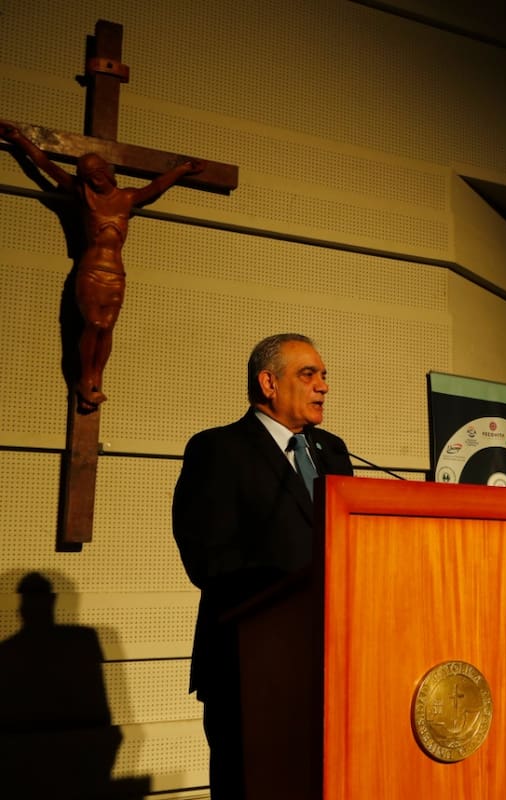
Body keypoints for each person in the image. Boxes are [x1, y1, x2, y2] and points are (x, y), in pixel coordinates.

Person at [171, 333, 354, 800]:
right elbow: (207, 558)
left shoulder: (331, 451)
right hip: (247, 658)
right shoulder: (218, 449)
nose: (323, 387)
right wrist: (292, 593)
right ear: (268, 383)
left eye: (324, 375)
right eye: (308, 374)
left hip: (330, 659)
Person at [0, 119, 204, 411]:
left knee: (106, 327)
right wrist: (19, 140)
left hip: (116, 274)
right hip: (91, 271)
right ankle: (85, 378)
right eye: (88, 174)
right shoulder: (84, 196)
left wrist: (182, 169)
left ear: (107, 173)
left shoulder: (127, 198)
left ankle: (96, 378)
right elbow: (45, 166)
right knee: (93, 323)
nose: (95, 178)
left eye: (98, 172)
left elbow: (157, 186)